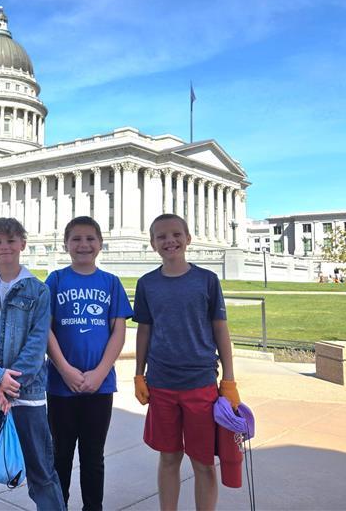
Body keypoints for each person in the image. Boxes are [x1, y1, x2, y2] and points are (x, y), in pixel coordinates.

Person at [0, 217, 65, 511]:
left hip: (27, 395)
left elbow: (37, 342)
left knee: (41, 469)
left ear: (23, 244)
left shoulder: (38, 290)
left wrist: (10, 386)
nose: (4, 247)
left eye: (11, 240)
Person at [133, 213, 239, 511]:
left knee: (204, 462)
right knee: (168, 458)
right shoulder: (147, 284)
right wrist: (139, 375)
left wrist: (228, 380)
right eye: (162, 236)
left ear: (188, 238)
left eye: (176, 234)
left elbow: (220, 328)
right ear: (153, 244)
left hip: (201, 383)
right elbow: (144, 330)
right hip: (161, 383)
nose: (170, 241)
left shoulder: (207, 280)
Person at [45, 216, 132, 510]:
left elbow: (118, 332)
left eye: (90, 239)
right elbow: (44, 329)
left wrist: (100, 372)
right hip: (60, 385)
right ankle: (59, 505)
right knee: (61, 454)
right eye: (77, 239)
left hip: (100, 384)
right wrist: (65, 369)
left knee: (93, 456)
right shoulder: (55, 280)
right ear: (66, 244)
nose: (84, 245)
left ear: (100, 244)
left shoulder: (110, 282)